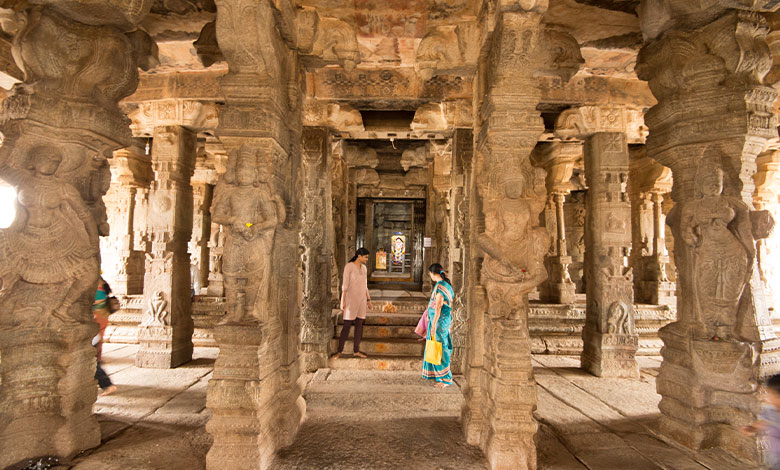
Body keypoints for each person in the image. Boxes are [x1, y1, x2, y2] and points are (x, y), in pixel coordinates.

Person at [335, 248, 372, 358]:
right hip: (351, 299)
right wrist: (342, 301)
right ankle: (339, 351)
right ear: (359, 256)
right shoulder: (349, 267)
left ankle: (356, 350)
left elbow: (365, 286)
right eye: (365, 257)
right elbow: (345, 286)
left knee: (359, 326)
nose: (366, 259)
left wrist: (368, 300)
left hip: (361, 300)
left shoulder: (364, 268)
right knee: (346, 326)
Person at [422, 263, 455, 388]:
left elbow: (438, 307)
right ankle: (440, 376)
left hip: (440, 322)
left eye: (430, 273)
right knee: (437, 346)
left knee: (440, 348)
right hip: (440, 320)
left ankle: (446, 379)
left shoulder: (441, 287)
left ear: (432, 274)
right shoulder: (444, 285)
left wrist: (434, 324)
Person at [742, 374, 780, 468]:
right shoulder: (770, 409)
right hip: (774, 457)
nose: (768, 398)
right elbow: (766, 421)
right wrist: (753, 428)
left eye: (772, 395)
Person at [93, 277, 117, 396]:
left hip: (97, 319)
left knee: (92, 352)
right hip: (100, 318)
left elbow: (97, 301)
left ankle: (106, 383)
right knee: (96, 348)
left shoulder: (97, 285)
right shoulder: (101, 282)